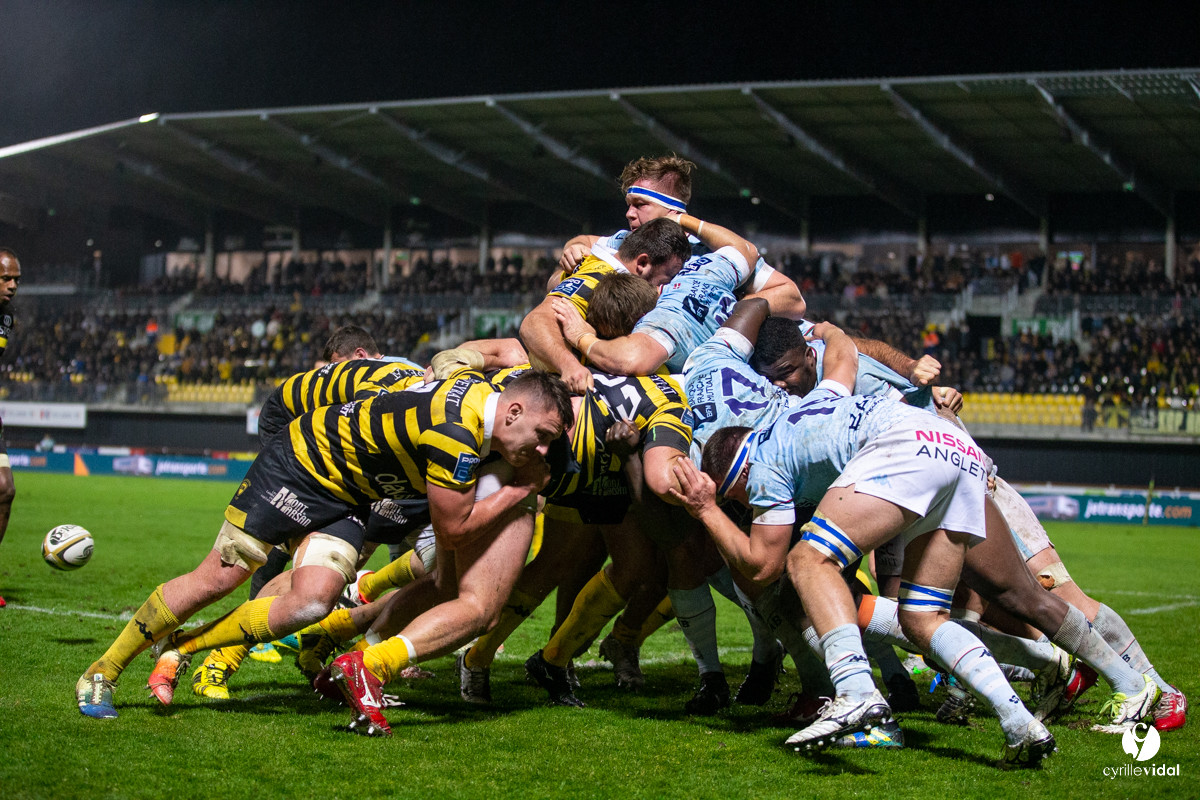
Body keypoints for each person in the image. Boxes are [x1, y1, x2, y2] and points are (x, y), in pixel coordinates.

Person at [75, 368, 572, 720]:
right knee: (218, 578)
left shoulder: (482, 406)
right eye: (544, 436)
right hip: (298, 467)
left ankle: (181, 646)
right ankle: (103, 671)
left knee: (311, 603)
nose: (543, 451)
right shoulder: (455, 433)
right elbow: (454, 531)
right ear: (511, 412)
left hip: (351, 493)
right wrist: (521, 490)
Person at [672, 374, 1057, 766]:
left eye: (738, 497)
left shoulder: (762, 459)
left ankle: (856, 693)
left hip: (906, 446)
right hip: (956, 449)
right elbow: (842, 354)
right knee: (922, 620)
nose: (747, 507)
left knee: (806, 561)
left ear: (736, 473)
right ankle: (1019, 722)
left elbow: (762, 567)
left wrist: (707, 509)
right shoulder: (800, 418)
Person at [519, 217, 691, 393]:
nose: (667, 284)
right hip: (565, 389)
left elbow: (555, 280)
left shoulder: (599, 261)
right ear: (642, 263)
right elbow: (534, 322)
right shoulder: (597, 278)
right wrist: (569, 366)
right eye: (669, 276)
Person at [0, 249, 20, 609]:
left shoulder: (6, 318)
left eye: (16, 279)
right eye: (6, 278)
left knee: (4, 489)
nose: (13, 285)